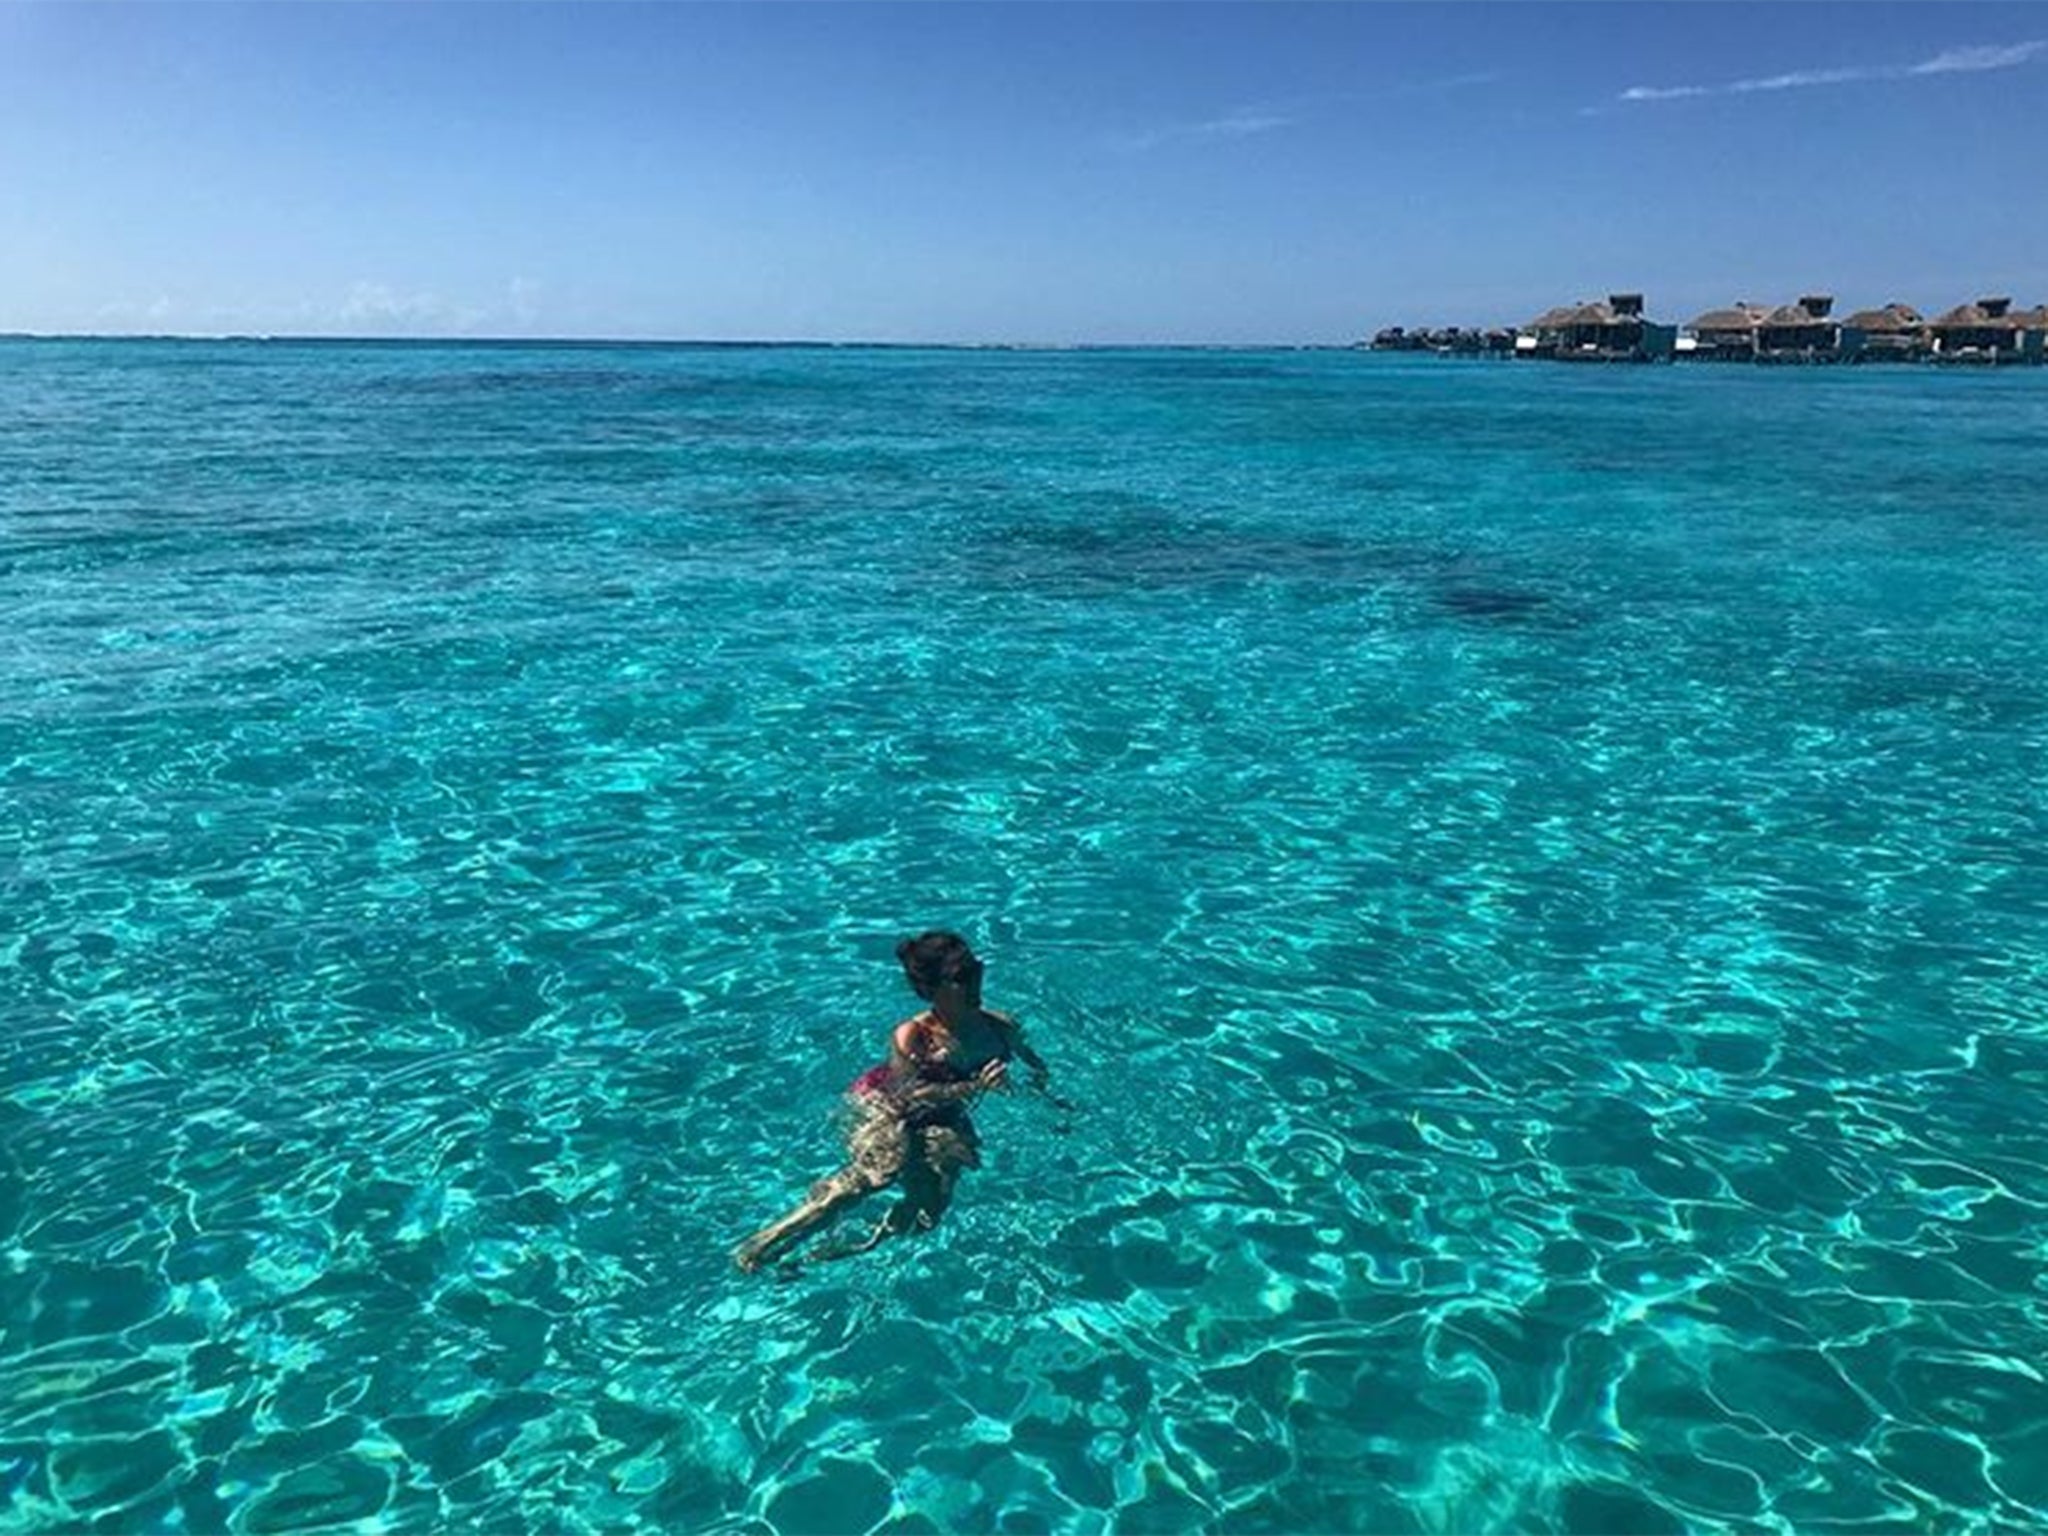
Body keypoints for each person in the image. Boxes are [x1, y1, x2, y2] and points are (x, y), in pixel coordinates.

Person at [733, 931, 1054, 1273]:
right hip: (882, 1105)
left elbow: (1037, 1068)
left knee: (931, 1209)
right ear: (930, 990)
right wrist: (975, 1087)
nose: (976, 980)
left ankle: (827, 1254)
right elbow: (907, 1095)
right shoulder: (914, 1035)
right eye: (962, 977)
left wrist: (1050, 1103)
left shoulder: (1000, 1027)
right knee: (875, 1176)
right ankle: (759, 1247)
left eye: (976, 969)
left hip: (943, 1114)